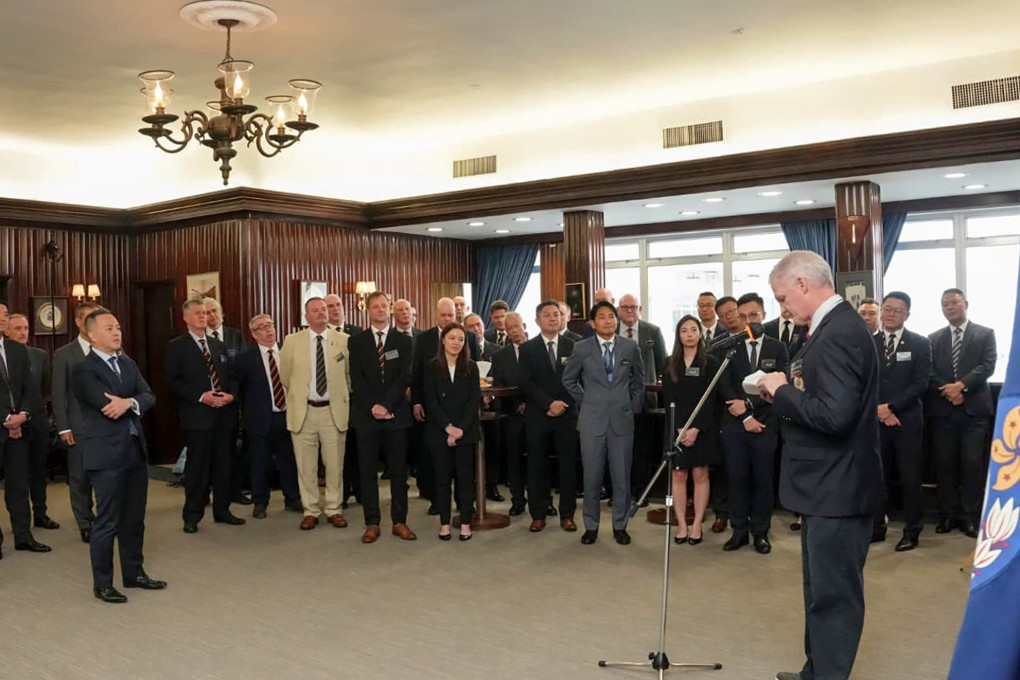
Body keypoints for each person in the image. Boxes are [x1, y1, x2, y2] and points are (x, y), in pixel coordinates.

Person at [757, 251, 882, 680]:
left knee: (834, 598)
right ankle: (817, 671)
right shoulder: (830, 327)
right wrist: (786, 392)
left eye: (782, 298)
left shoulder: (838, 333)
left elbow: (835, 417)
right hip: (826, 486)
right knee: (819, 591)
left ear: (802, 284)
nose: (782, 309)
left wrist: (783, 392)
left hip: (838, 487)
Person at [72, 309, 164, 603]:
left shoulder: (127, 362)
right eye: (109, 328)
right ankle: (103, 584)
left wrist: (129, 402)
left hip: (134, 451)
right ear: (92, 334)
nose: (117, 332)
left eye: (118, 327)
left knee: (134, 519)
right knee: (107, 521)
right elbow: (106, 406)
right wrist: (130, 402)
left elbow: (149, 396)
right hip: (105, 455)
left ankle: (134, 573)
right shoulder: (83, 369)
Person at [563, 300, 644, 546]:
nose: (607, 321)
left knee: (621, 476)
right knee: (592, 476)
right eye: (601, 317)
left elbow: (639, 381)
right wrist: (586, 400)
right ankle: (591, 526)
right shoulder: (581, 348)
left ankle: (620, 525)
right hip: (591, 420)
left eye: (611, 316)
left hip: (622, 419)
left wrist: (631, 406)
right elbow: (569, 380)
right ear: (592, 323)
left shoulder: (630, 347)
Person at [165, 298, 246, 534]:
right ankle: (192, 515)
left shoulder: (217, 345)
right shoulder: (177, 346)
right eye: (198, 313)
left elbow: (232, 375)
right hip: (198, 416)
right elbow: (173, 381)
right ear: (186, 318)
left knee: (224, 466)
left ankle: (222, 510)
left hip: (223, 414)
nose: (204, 316)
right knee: (197, 469)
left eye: (205, 313)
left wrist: (231, 396)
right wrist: (201, 396)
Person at [719, 293, 789, 555]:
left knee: (762, 480)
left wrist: (749, 407)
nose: (749, 320)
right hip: (735, 424)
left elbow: (780, 384)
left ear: (763, 314)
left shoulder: (777, 347)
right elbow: (724, 384)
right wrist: (744, 415)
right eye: (743, 316)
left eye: (753, 315)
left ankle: (760, 532)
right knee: (737, 479)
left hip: (766, 424)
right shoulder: (731, 346)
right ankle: (738, 531)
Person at [928, 288, 996, 538]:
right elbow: (929, 371)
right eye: (944, 304)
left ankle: (970, 516)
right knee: (945, 464)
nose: (949, 307)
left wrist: (962, 386)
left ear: (965, 303)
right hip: (943, 411)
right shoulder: (933, 338)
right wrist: (949, 391)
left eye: (954, 303)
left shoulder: (985, 333)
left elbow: (987, 366)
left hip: (974, 411)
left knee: (972, 464)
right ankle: (948, 514)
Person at [279, 297, 352, 531]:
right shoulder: (292, 341)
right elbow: (285, 376)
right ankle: (310, 510)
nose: (321, 313)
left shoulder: (344, 340)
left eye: (323, 309)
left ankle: (333, 508)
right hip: (304, 411)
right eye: (315, 310)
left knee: (334, 464)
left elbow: (349, 376)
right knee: (306, 465)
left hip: (333, 411)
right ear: (306, 316)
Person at [349, 291, 417, 543]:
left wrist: (386, 405)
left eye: (383, 306)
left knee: (398, 472)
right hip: (367, 416)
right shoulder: (356, 342)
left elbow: (404, 377)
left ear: (389, 309)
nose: (379, 310)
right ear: (367, 310)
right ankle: (372, 522)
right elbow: (357, 379)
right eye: (375, 306)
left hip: (396, 415)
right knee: (368, 472)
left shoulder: (403, 341)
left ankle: (399, 521)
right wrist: (374, 407)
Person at [873, 292, 932, 551]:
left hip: (906, 421)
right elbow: (862, 380)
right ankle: (877, 527)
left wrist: (891, 407)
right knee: (877, 478)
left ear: (907, 314)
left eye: (898, 310)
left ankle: (912, 531)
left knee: (910, 479)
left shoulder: (920, 343)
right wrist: (878, 410)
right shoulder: (868, 342)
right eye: (887, 308)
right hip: (875, 420)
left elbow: (921, 382)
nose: (891, 314)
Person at [410, 297, 479, 513]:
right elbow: (417, 374)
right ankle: (437, 502)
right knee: (436, 462)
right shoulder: (423, 339)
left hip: (462, 412)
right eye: (443, 315)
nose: (447, 318)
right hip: (435, 412)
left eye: (451, 315)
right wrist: (417, 402)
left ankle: (464, 503)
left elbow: (476, 373)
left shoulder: (469, 338)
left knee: (464, 466)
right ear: (436, 315)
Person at [230, 314, 302, 518]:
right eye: (262, 327)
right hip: (260, 419)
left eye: (270, 325)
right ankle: (260, 502)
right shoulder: (244, 359)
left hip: (288, 415)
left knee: (289, 460)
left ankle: (292, 498)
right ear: (254, 334)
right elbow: (237, 390)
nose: (269, 330)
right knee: (260, 462)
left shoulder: (289, 352)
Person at [517, 300, 578, 532]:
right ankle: (538, 514)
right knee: (536, 466)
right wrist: (548, 403)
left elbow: (579, 379)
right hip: (538, 415)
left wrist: (562, 403)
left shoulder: (574, 346)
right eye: (547, 315)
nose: (553, 318)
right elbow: (525, 382)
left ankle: (567, 514)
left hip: (566, 414)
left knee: (567, 466)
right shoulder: (527, 348)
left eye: (556, 314)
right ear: (537, 320)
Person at [661, 315, 720, 545]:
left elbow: (711, 400)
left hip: (701, 429)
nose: (689, 334)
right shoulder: (669, 362)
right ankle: (682, 525)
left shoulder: (710, 362)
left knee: (700, 474)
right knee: (678, 474)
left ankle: (696, 524)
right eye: (684, 330)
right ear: (678, 335)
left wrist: (696, 428)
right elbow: (668, 398)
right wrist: (679, 428)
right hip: (676, 427)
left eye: (693, 329)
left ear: (700, 333)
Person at [0, 301, 51, 556]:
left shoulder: (17, 350)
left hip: (19, 427)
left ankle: (23, 535)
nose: (2, 318)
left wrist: (22, 415)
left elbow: (31, 389)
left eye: (4, 314)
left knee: (19, 485)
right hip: (4, 424)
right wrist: (6, 418)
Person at [423, 323, 480, 541]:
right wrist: (448, 427)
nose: (456, 343)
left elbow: (473, 401)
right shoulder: (431, 366)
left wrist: (460, 429)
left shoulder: (471, 367)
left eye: (461, 339)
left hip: (466, 432)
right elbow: (431, 401)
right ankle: (444, 524)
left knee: (465, 480)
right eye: (452, 338)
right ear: (443, 340)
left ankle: (465, 524)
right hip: (439, 431)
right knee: (442, 480)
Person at [52, 300, 103, 543]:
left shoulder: (109, 347)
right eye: (91, 318)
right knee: (80, 478)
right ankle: (85, 522)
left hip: (107, 424)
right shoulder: (64, 354)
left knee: (105, 476)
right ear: (79, 322)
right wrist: (63, 427)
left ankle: (105, 520)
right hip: (78, 425)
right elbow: (58, 393)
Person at [5, 313, 59, 530]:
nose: (22, 332)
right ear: (6, 331)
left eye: (25, 328)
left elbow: (45, 388)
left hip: (36, 420)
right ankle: (20, 522)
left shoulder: (40, 355)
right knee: (16, 476)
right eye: (17, 328)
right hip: (9, 422)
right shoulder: (4, 356)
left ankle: (41, 513)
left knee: (38, 470)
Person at [616, 293, 667, 500]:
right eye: (625, 307)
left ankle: (641, 492)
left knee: (642, 449)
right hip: (614, 400)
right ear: (618, 310)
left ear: (640, 309)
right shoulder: (611, 331)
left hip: (644, 400)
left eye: (633, 307)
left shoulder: (652, 331)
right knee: (617, 449)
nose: (629, 310)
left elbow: (662, 364)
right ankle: (619, 492)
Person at [204, 297, 251, 506]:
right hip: (207, 402)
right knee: (207, 451)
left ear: (221, 313)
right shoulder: (199, 339)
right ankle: (205, 491)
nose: (211, 316)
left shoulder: (235, 336)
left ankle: (234, 491)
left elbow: (242, 368)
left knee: (233, 449)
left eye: (214, 311)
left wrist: (233, 395)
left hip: (233, 401)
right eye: (207, 312)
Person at [708, 294, 741, 534]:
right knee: (723, 466)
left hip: (754, 409)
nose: (729, 317)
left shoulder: (754, 336)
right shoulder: (717, 344)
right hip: (724, 411)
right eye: (723, 315)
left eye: (731, 311)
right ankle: (721, 513)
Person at [491, 312, 529, 515]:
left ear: (524, 326)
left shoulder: (538, 349)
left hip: (537, 413)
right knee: (514, 460)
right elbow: (499, 385)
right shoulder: (499, 356)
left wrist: (529, 403)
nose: (514, 331)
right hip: (512, 414)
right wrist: (517, 404)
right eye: (509, 328)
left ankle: (544, 501)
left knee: (538, 460)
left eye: (517, 326)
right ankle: (518, 500)